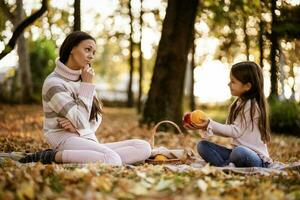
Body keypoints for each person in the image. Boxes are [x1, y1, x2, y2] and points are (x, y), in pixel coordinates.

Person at [19, 31, 151, 165]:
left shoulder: (84, 78)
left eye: (93, 52)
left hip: (85, 137)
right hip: (64, 140)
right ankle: (51, 156)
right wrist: (87, 86)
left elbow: (97, 116)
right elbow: (79, 119)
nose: (91, 56)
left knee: (143, 147)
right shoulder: (54, 83)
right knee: (112, 159)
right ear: (71, 49)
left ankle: (93, 156)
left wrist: (78, 127)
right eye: (87, 49)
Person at [184, 61, 272, 168]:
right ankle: (226, 165)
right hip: (237, 154)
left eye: (233, 82)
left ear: (247, 86)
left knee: (238, 152)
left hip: (256, 158)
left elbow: (235, 131)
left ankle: (226, 164)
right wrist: (206, 125)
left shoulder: (252, 105)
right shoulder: (238, 103)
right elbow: (227, 130)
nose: (229, 84)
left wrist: (209, 124)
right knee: (202, 146)